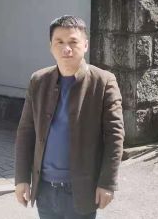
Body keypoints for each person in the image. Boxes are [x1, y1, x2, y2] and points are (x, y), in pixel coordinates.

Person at [14, 15, 124, 218]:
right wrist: (21, 178)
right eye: (59, 42)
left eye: (73, 42)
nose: (66, 49)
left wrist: (107, 182)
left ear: (85, 45)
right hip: (44, 189)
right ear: (51, 46)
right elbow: (25, 131)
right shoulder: (38, 81)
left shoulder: (103, 82)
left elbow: (114, 137)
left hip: (81, 189)